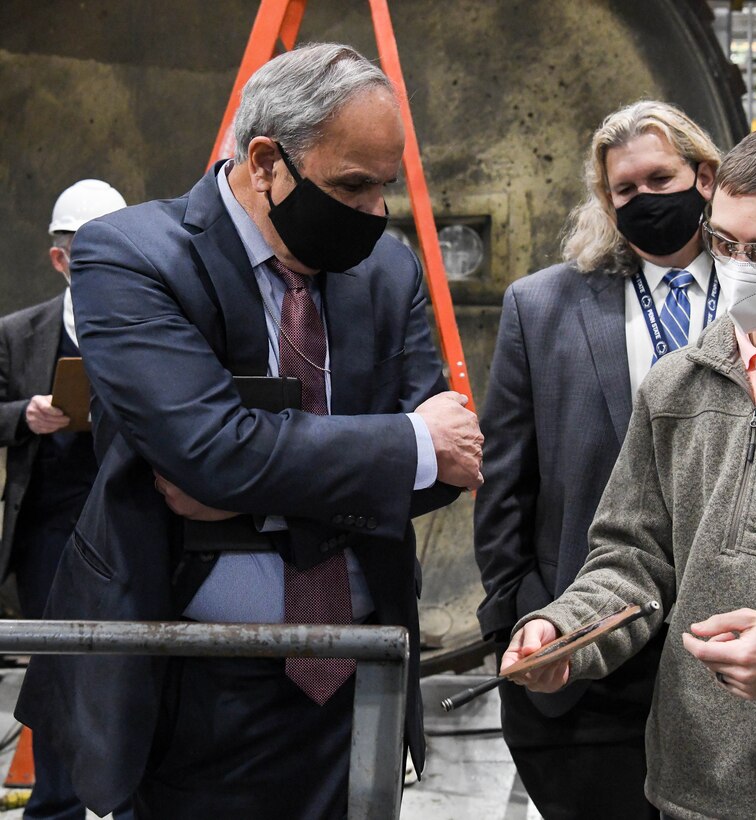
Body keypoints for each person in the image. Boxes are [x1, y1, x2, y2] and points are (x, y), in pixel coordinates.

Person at [16, 42, 483, 819]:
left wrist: (252, 484)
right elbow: (207, 447)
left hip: (356, 672)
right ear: (266, 161)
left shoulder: (386, 271)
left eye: (385, 188)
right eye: (352, 185)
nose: (374, 212)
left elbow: (450, 462)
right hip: (190, 681)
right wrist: (394, 446)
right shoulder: (132, 256)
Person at [502, 118, 756, 819]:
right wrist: (568, 631)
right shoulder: (677, 384)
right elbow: (631, 560)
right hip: (692, 790)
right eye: (725, 241)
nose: (740, 265)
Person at [473, 101, 722, 819]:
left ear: (704, 177)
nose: (644, 199)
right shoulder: (543, 307)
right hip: (587, 659)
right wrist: (512, 615)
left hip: (732, 658)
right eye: (625, 190)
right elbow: (506, 482)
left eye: (660, 178)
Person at [0, 179, 133, 820]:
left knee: (133, 666)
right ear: (62, 260)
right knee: (54, 671)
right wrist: (23, 416)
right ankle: (54, 807)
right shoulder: (21, 334)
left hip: (128, 522)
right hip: (50, 528)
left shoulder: (147, 328)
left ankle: (134, 801)